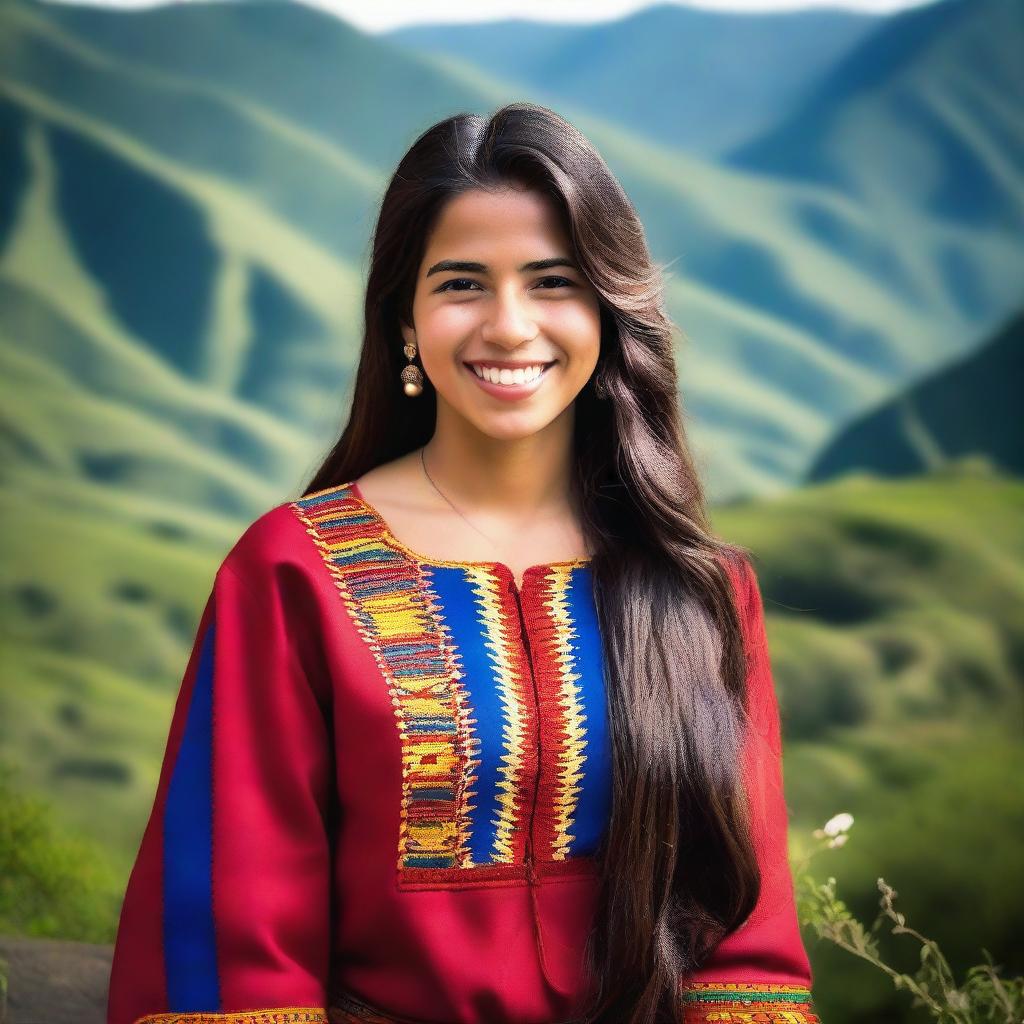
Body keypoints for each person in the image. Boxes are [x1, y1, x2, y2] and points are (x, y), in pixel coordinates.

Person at [106, 102, 818, 1024]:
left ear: (607, 304)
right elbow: (235, 931)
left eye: (552, 281)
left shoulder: (699, 587)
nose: (510, 326)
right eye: (461, 284)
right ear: (406, 315)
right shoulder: (292, 572)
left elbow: (744, 943)